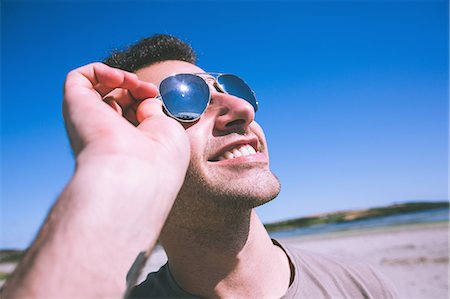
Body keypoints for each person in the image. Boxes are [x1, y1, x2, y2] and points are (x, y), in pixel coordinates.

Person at [1, 34, 397, 298]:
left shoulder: (363, 286)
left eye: (233, 90)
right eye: (185, 98)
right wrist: (113, 166)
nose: (242, 109)